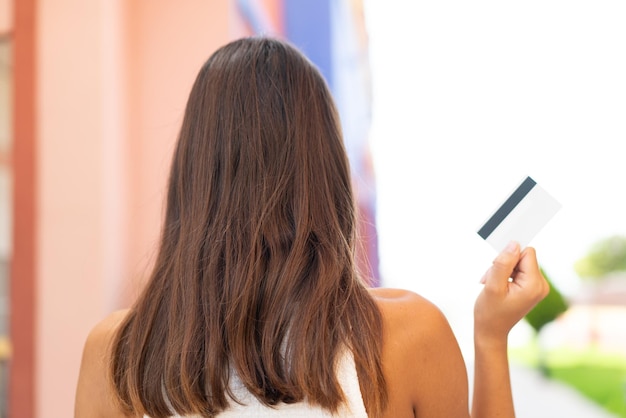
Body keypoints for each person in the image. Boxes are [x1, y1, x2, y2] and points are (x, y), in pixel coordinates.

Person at [75, 37, 549, 418]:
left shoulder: (117, 353)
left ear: (193, 176)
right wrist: (490, 337)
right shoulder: (409, 335)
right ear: (329, 176)